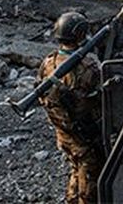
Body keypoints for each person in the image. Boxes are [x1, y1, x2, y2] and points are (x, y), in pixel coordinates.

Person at [37, 12, 104, 204]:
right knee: (90, 176)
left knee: (76, 169)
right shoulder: (87, 68)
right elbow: (100, 100)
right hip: (84, 134)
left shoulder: (49, 62)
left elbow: (41, 93)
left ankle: (71, 199)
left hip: (63, 132)